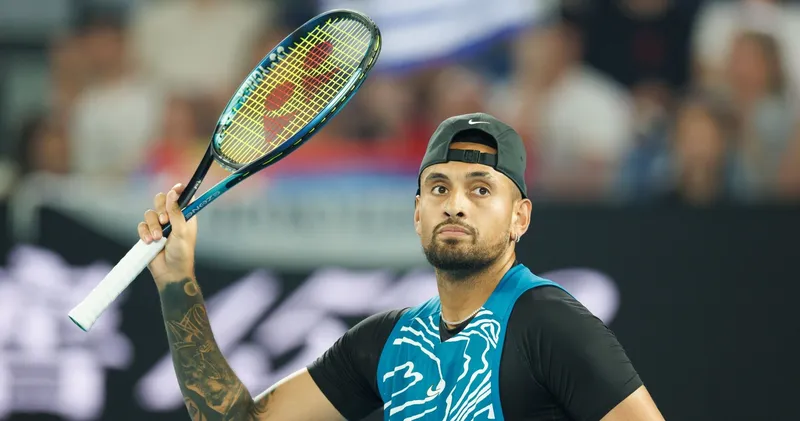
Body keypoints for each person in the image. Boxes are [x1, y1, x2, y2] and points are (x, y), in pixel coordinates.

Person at [138, 113, 665, 420]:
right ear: (417, 213)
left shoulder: (550, 324)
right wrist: (177, 280)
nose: (455, 204)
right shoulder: (383, 342)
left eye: (481, 189)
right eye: (439, 188)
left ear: (519, 218)